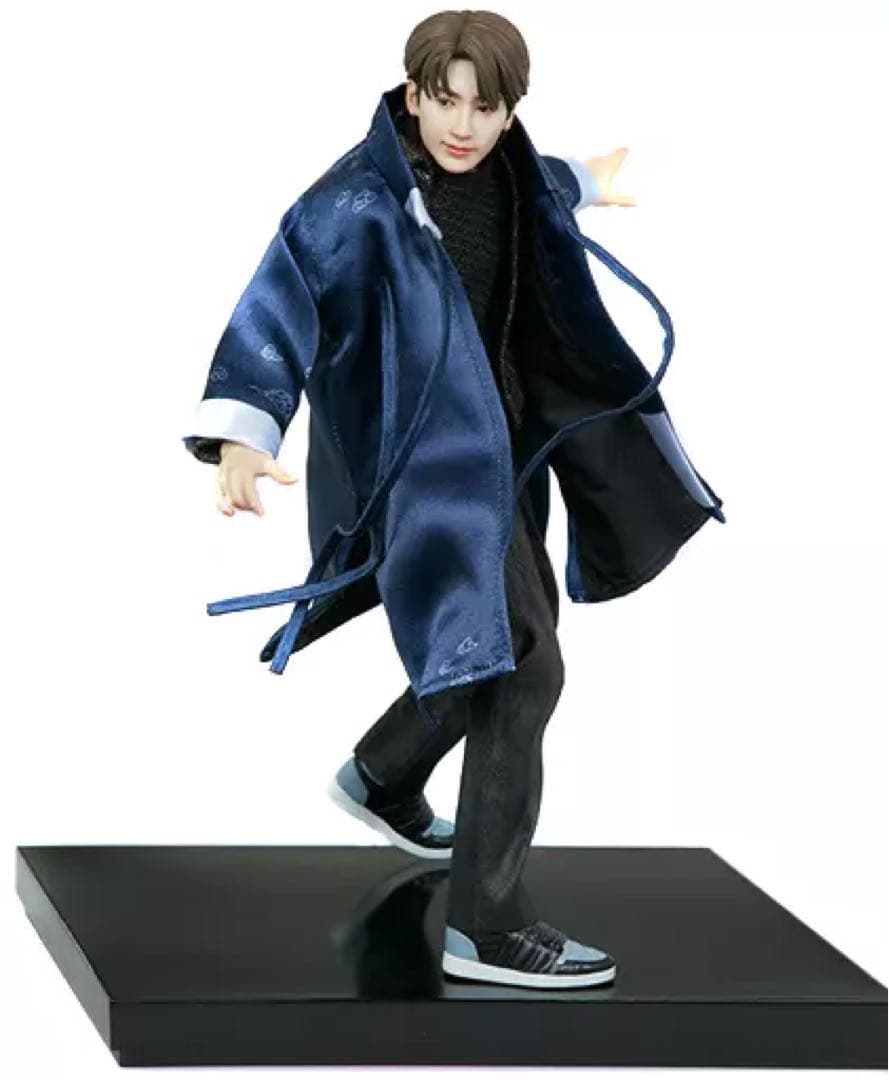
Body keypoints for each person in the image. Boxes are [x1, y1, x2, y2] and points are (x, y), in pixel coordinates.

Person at [183, 10, 724, 990]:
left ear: (511, 111)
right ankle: (487, 924)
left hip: (505, 451)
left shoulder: (509, 172)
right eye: (444, 101)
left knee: (497, 643)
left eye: (486, 106)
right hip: (425, 472)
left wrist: (588, 180)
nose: (463, 126)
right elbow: (280, 298)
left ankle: (382, 774)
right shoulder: (356, 203)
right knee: (523, 668)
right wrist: (241, 433)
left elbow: (542, 184)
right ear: (411, 93)